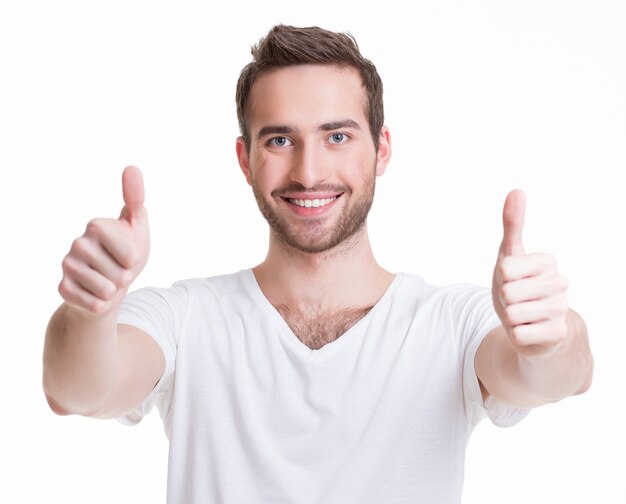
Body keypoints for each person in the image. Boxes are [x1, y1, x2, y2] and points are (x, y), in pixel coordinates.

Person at [43, 24, 593, 503]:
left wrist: (552, 337)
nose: (309, 171)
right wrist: (91, 310)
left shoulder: (448, 322)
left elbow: (551, 377)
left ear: (381, 149)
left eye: (337, 136)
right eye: (281, 139)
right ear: (246, 159)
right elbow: (77, 390)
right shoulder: (188, 318)